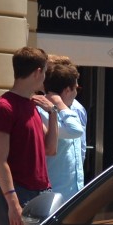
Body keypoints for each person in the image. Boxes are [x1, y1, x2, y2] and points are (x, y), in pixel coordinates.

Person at [0, 46, 59, 225]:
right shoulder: (4, 107)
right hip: (19, 193)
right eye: (45, 72)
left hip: (42, 191)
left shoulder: (32, 105)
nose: (45, 77)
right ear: (38, 72)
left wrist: (53, 113)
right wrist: (13, 203)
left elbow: (50, 149)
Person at [37, 58, 86, 198]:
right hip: (53, 194)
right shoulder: (42, 112)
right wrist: (59, 104)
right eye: (75, 88)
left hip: (74, 193)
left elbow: (80, 150)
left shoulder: (75, 110)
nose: (77, 92)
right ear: (67, 90)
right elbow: (75, 130)